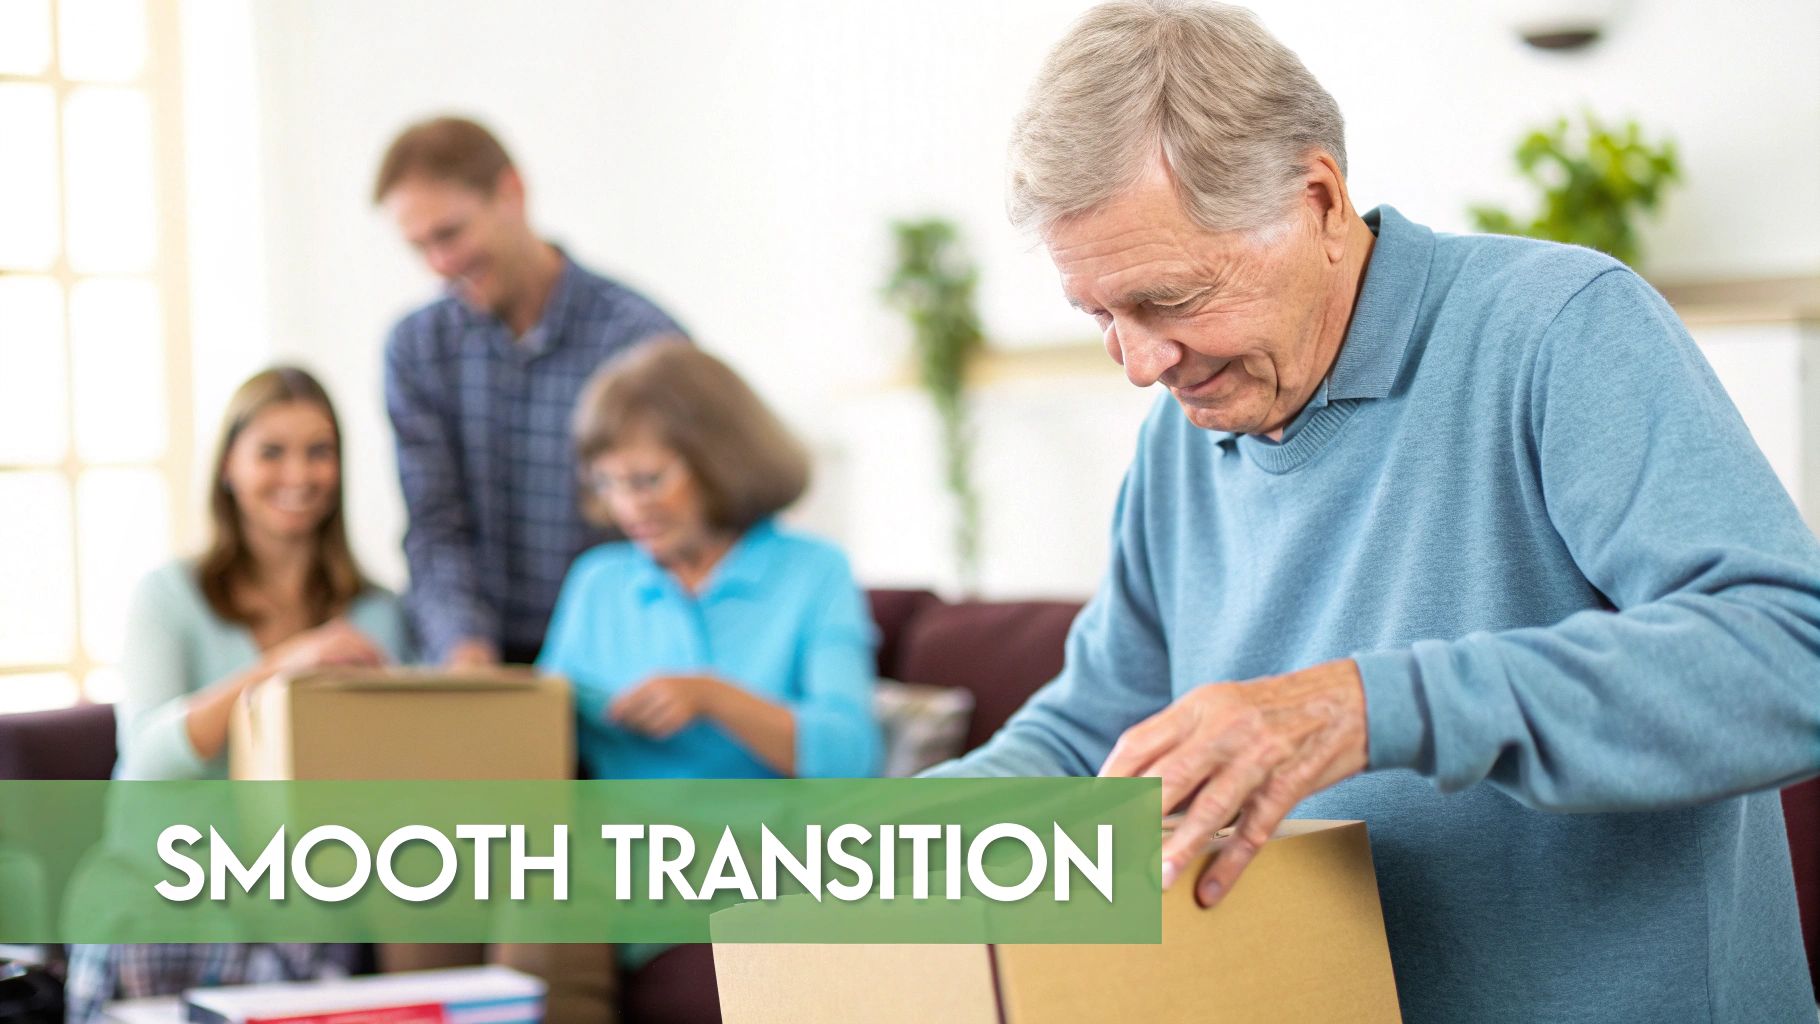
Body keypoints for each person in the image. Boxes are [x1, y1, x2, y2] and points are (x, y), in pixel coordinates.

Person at [925, 3, 1820, 1022]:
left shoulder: (1556, 330)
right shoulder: (1179, 436)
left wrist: (1362, 706)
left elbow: (1790, 656)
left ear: (1316, 198)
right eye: (1100, 315)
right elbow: (1097, 726)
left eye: (1169, 299)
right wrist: (912, 836)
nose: (1137, 364)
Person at [64, 366, 409, 1024]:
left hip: (304, 905)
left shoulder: (377, 614)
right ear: (229, 466)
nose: (299, 475)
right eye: (271, 452)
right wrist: (283, 665)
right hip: (161, 893)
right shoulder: (170, 596)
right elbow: (149, 757)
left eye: (319, 451)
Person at [375, 115, 685, 669]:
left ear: (510, 193)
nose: (441, 265)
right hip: (478, 660)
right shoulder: (417, 350)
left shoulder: (641, 342)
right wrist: (466, 657)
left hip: (618, 663)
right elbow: (434, 526)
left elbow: (681, 527)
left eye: (450, 234)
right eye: (419, 247)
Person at [542, 341, 880, 783]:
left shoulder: (814, 571)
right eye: (607, 482)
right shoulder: (598, 581)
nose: (627, 506)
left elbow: (851, 759)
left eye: (647, 480)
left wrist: (712, 698)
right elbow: (541, 731)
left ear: (721, 463)